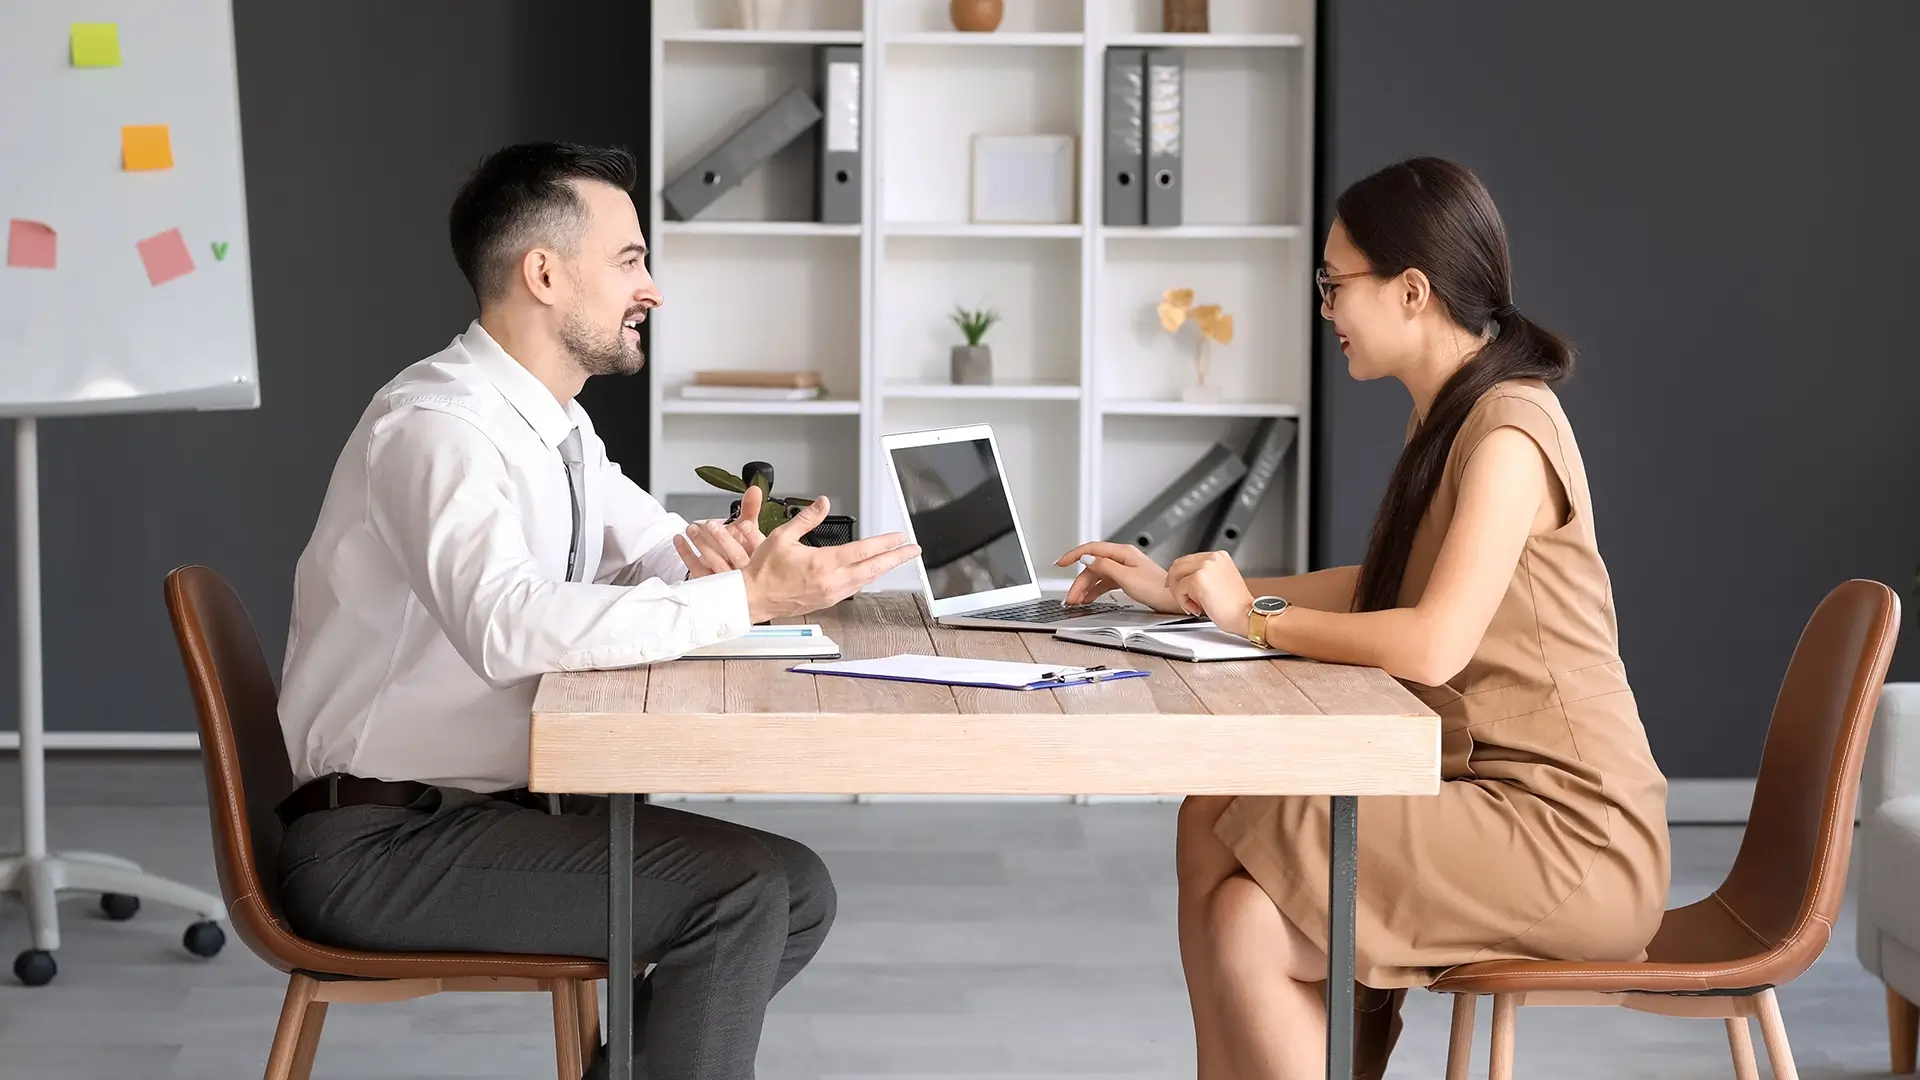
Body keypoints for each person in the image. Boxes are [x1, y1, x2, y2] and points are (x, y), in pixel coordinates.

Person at [273, 141, 920, 1080]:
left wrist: (716, 553)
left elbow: (653, 542)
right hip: (380, 843)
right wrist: (742, 597)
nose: (651, 288)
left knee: (797, 890)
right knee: (738, 897)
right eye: (630, 261)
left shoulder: (556, 423)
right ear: (543, 272)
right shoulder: (439, 429)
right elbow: (506, 626)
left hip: (492, 813)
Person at [1056, 156, 1670, 1080]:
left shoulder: (1507, 432)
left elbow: (1432, 641)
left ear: (1413, 290)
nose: (1327, 309)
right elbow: (1386, 585)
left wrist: (1251, 621)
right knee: (1214, 830)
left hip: (1569, 834)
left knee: (1241, 894)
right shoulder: (1451, 418)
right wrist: (1194, 591)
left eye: (1336, 285)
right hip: (1487, 799)